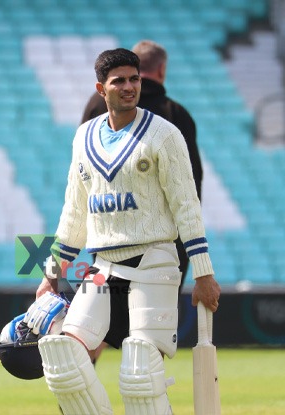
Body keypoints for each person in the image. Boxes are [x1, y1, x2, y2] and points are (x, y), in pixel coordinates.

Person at [35, 48, 220, 415]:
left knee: (140, 374)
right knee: (63, 360)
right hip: (102, 264)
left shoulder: (165, 134)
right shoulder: (84, 137)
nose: (129, 86)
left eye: (134, 79)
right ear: (101, 88)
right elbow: (74, 212)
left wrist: (203, 274)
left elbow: (187, 206)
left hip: (154, 260)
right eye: (119, 80)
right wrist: (52, 274)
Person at [81, 39, 203, 291]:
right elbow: (190, 186)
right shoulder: (175, 115)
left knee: (108, 322)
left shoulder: (95, 107)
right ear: (161, 70)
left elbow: (84, 178)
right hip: (162, 250)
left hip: (107, 242)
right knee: (156, 325)